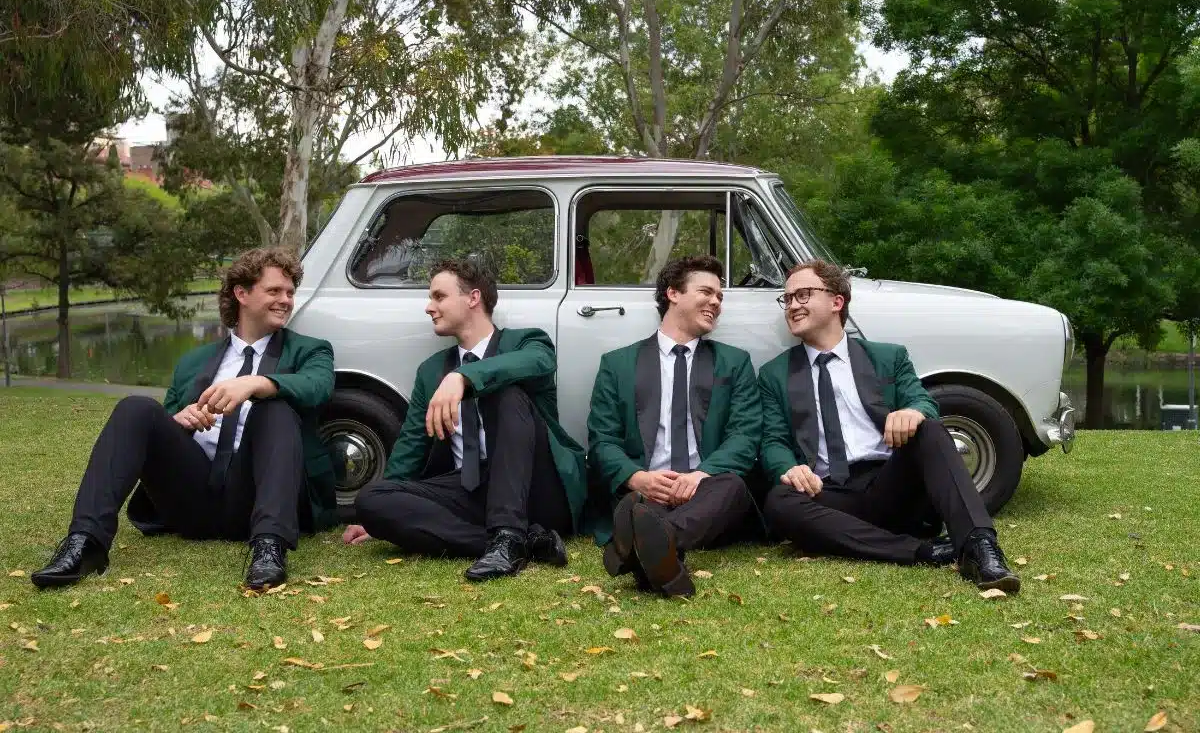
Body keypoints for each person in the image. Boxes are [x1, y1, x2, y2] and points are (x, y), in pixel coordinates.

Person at [31, 248, 339, 590]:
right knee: (136, 408)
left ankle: (269, 548)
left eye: (290, 292)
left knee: (276, 408)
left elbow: (318, 387)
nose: (286, 300)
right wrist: (179, 418)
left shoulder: (310, 350)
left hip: (257, 496)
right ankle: (85, 543)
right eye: (274, 291)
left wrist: (257, 383)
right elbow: (159, 430)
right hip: (193, 496)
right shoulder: (194, 361)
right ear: (242, 293)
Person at [757, 259, 1020, 592]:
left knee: (930, 429)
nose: (793, 305)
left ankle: (980, 546)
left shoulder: (888, 357)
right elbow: (773, 440)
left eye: (804, 295)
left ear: (837, 302)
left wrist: (914, 411)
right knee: (780, 501)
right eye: (788, 298)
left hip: (891, 485)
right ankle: (925, 551)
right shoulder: (774, 374)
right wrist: (789, 467)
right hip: (829, 494)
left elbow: (924, 401)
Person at [343, 258, 586, 582]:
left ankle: (509, 531)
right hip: (470, 490)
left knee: (505, 394)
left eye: (439, 296)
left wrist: (464, 378)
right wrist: (374, 517)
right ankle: (517, 541)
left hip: (536, 487)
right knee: (371, 501)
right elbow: (412, 444)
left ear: (473, 298)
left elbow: (540, 361)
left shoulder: (527, 342)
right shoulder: (431, 371)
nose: (429, 307)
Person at [587, 256, 760, 597]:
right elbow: (602, 439)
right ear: (673, 294)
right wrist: (639, 478)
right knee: (637, 506)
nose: (716, 302)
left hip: (707, 491)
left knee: (733, 486)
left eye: (720, 297)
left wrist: (700, 475)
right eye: (707, 292)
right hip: (649, 489)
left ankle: (645, 541)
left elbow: (745, 435)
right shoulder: (618, 364)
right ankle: (660, 554)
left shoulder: (734, 363)